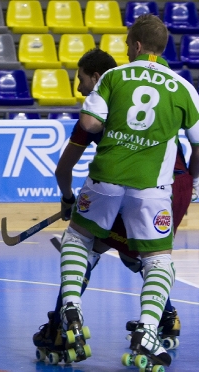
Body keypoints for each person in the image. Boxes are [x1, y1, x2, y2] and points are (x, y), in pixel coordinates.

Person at [56, 15, 199, 367]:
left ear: (135, 45)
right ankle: (149, 330)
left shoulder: (113, 76)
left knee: (78, 240)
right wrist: (194, 181)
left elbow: (89, 124)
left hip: (105, 179)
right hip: (152, 188)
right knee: (157, 261)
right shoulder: (184, 88)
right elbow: (198, 145)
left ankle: (70, 309)